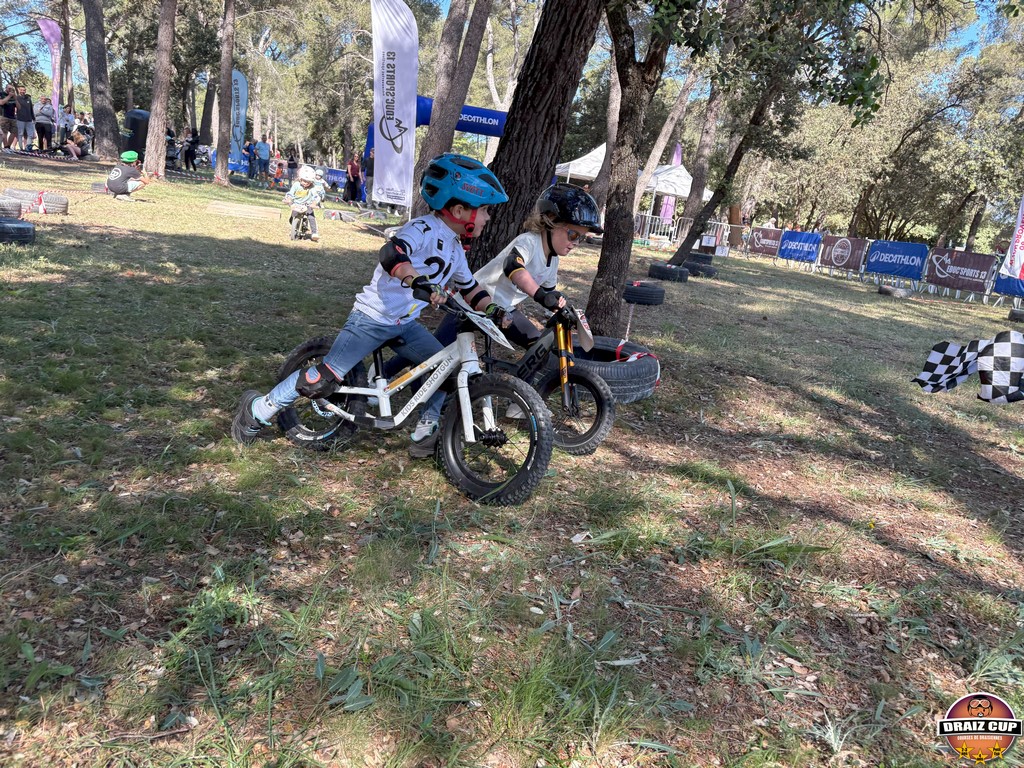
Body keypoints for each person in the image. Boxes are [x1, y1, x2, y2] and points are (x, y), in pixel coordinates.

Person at [231, 153, 509, 458]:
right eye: (485, 210)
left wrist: (493, 310)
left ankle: (426, 429)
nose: (488, 218)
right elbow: (392, 254)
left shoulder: (455, 248)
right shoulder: (423, 229)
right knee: (322, 379)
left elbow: (470, 288)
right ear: (458, 210)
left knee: (444, 372)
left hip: (404, 324)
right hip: (373, 317)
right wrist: (417, 280)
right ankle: (258, 409)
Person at [284, 165, 324, 241]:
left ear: (311, 182)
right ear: (300, 179)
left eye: (308, 182)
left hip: (307, 205)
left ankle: (314, 233)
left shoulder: (312, 188)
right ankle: (295, 228)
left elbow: (316, 196)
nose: (306, 183)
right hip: (297, 204)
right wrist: (288, 199)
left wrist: (314, 203)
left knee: (311, 217)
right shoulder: (296, 185)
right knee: (292, 217)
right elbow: (291, 193)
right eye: (304, 181)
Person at [14, 86, 35, 150]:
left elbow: (31, 109)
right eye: (21, 90)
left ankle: (28, 148)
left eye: (24, 90)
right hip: (20, 119)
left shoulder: (28, 98)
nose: (23, 91)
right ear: (19, 90)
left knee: (30, 134)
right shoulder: (16, 98)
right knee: (20, 134)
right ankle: (21, 148)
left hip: (29, 119)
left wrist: (33, 118)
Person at [0, 85, 17, 149]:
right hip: (4, 115)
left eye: (12, 89)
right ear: (6, 88)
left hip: (12, 116)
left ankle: (8, 147)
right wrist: (9, 96)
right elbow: (1, 103)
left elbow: (19, 107)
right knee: (4, 132)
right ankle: (5, 146)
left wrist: (15, 98)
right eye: (9, 88)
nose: (10, 90)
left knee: (14, 132)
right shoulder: (1, 94)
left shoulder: (13, 96)